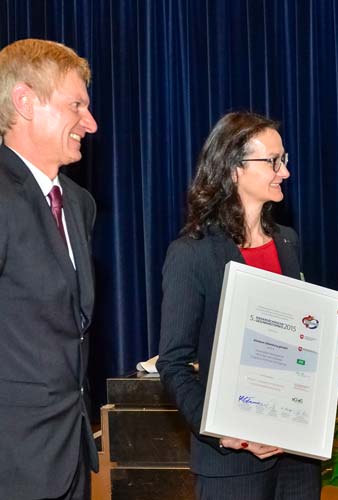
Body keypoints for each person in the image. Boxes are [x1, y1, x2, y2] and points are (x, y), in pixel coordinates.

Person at [156, 111, 338, 500]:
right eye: (274, 161)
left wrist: (333, 322)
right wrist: (221, 431)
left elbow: (294, 334)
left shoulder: (287, 241)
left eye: (284, 160)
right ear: (233, 169)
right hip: (231, 461)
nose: (285, 171)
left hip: (296, 457)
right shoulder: (191, 254)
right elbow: (174, 362)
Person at [0, 39, 99, 500]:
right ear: (24, 101)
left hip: (69, 453)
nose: (90, 123)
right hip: (12, 462)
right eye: (75, 105)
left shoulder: (78, 204)